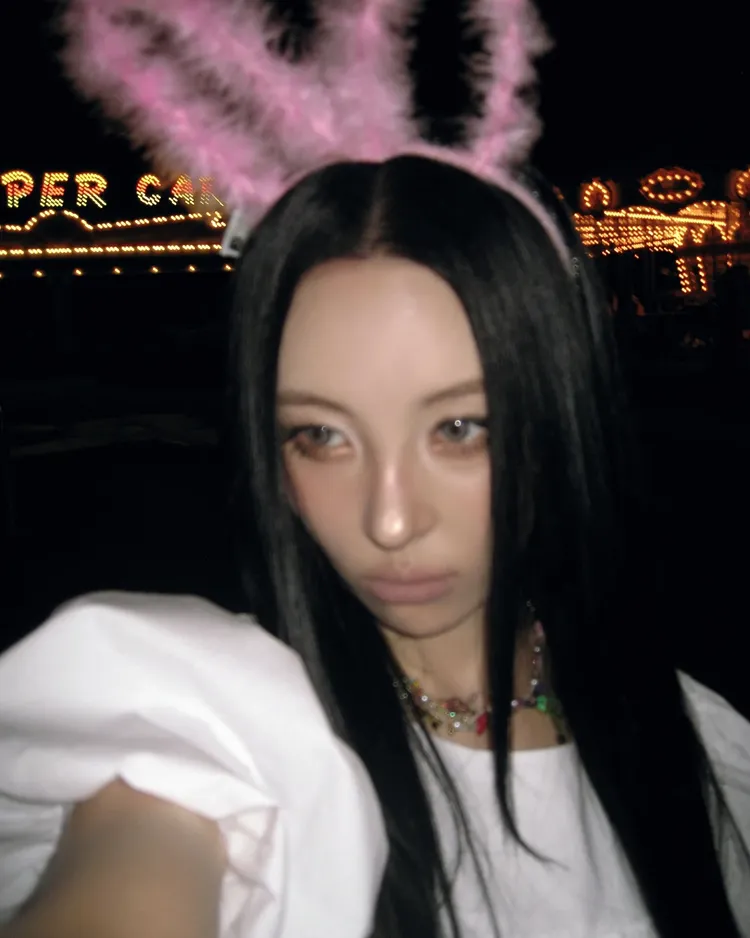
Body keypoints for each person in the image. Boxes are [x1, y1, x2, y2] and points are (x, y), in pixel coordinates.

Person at [1, 2, 749, 937]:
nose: (389, 522)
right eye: (321, 436)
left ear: (556, 414)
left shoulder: (699, 741)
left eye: (461, 428)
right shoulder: (223, 739)